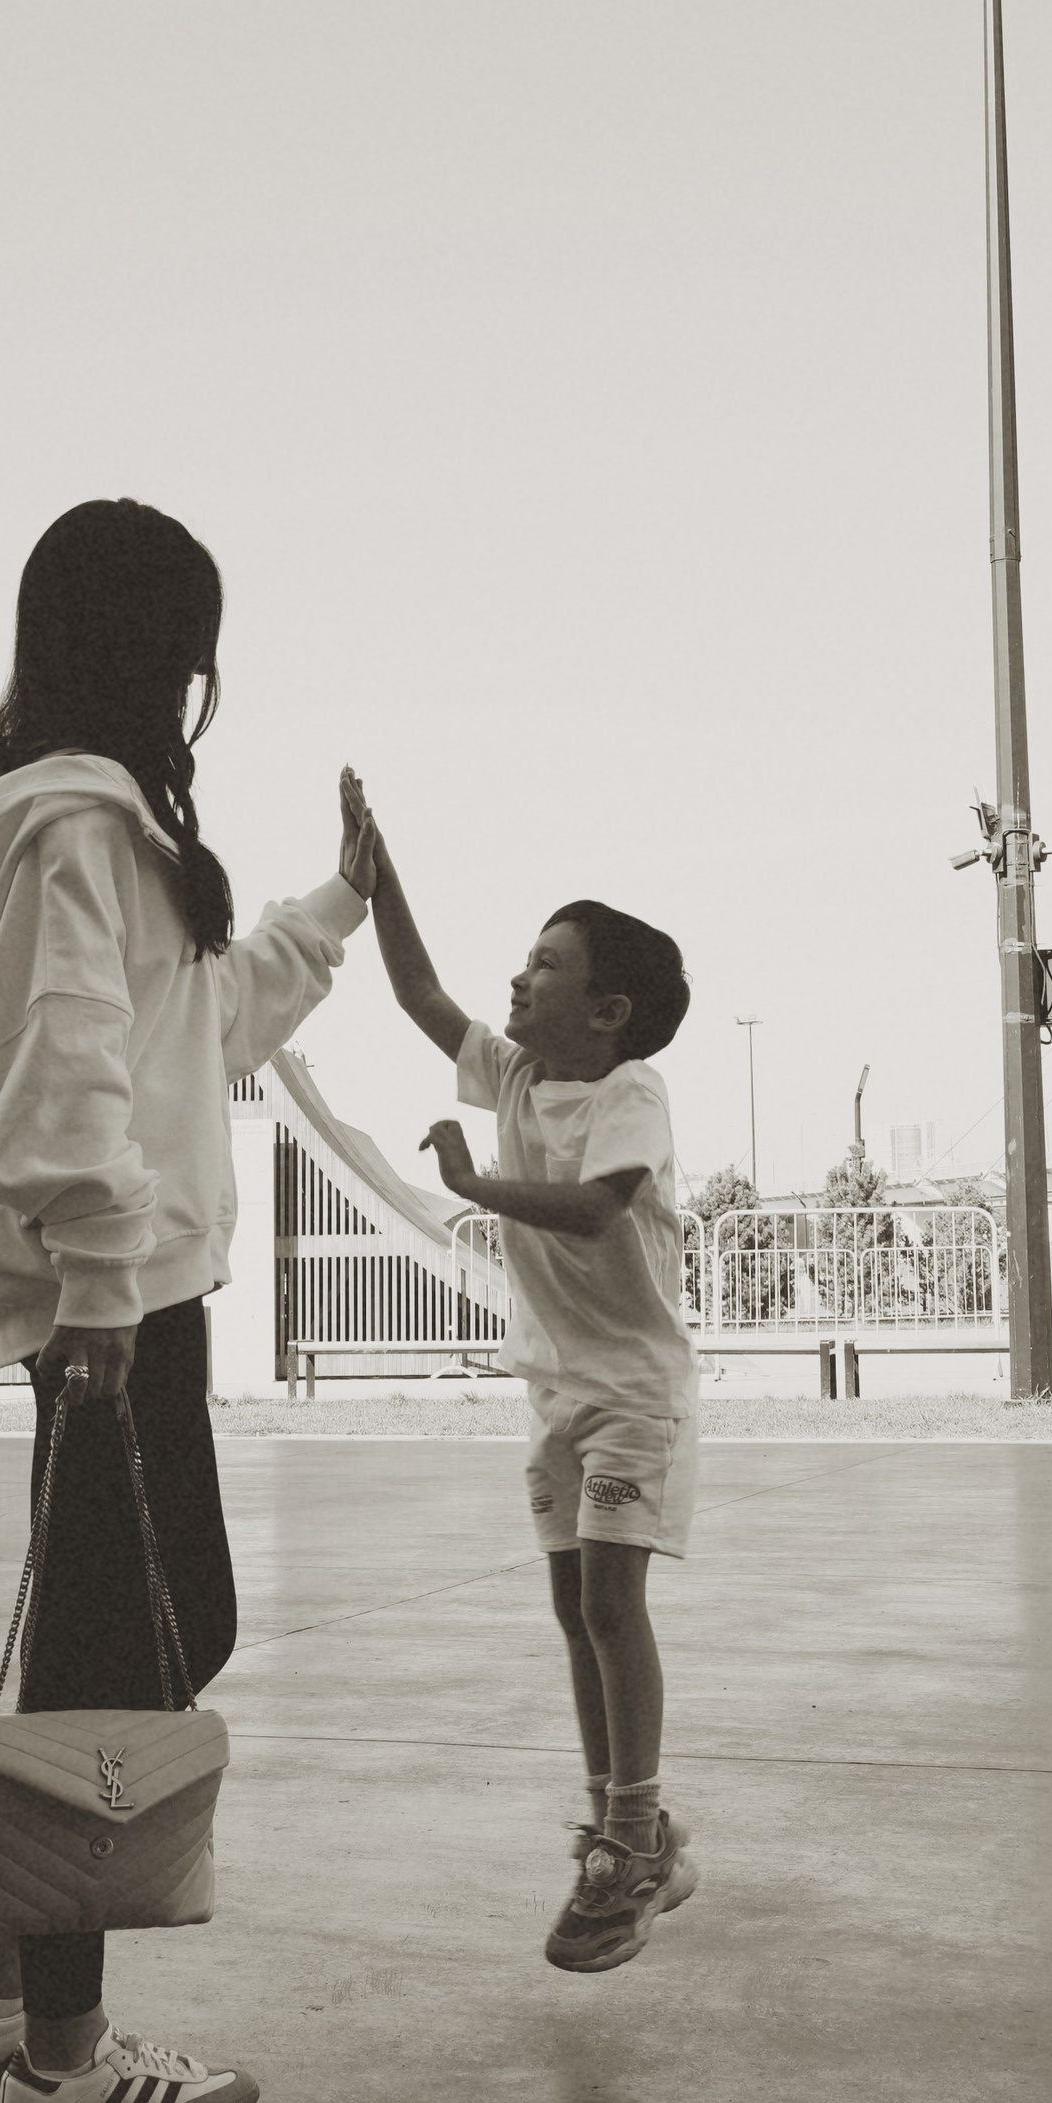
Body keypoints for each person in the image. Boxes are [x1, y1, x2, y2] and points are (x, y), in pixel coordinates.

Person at [0, 499, 376, 2103]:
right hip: (114, 1307)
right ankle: (62, 2056)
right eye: (188, 647)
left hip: (136, 1297)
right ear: (149, 652)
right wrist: (102, 1282)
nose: (198, 680)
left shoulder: (109, 830)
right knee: (117, 1657)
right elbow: (60, 1066)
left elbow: (195, 1026)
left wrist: (336, 907)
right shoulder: (78, 829)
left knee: (141, 1635)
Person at [344, 773, 698, 1973]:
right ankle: (623, 1824)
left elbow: (597, 1208)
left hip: (634, 1393)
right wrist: (376, 874)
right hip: (554, 1389)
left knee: (610, 1603)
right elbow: (418, 990)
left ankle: (633, 1835)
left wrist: (472, 1184)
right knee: (571, 1605)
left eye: (547, 963)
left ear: (607, 1009)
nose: (519, 975)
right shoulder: (509, 1075)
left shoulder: (629, 1090)